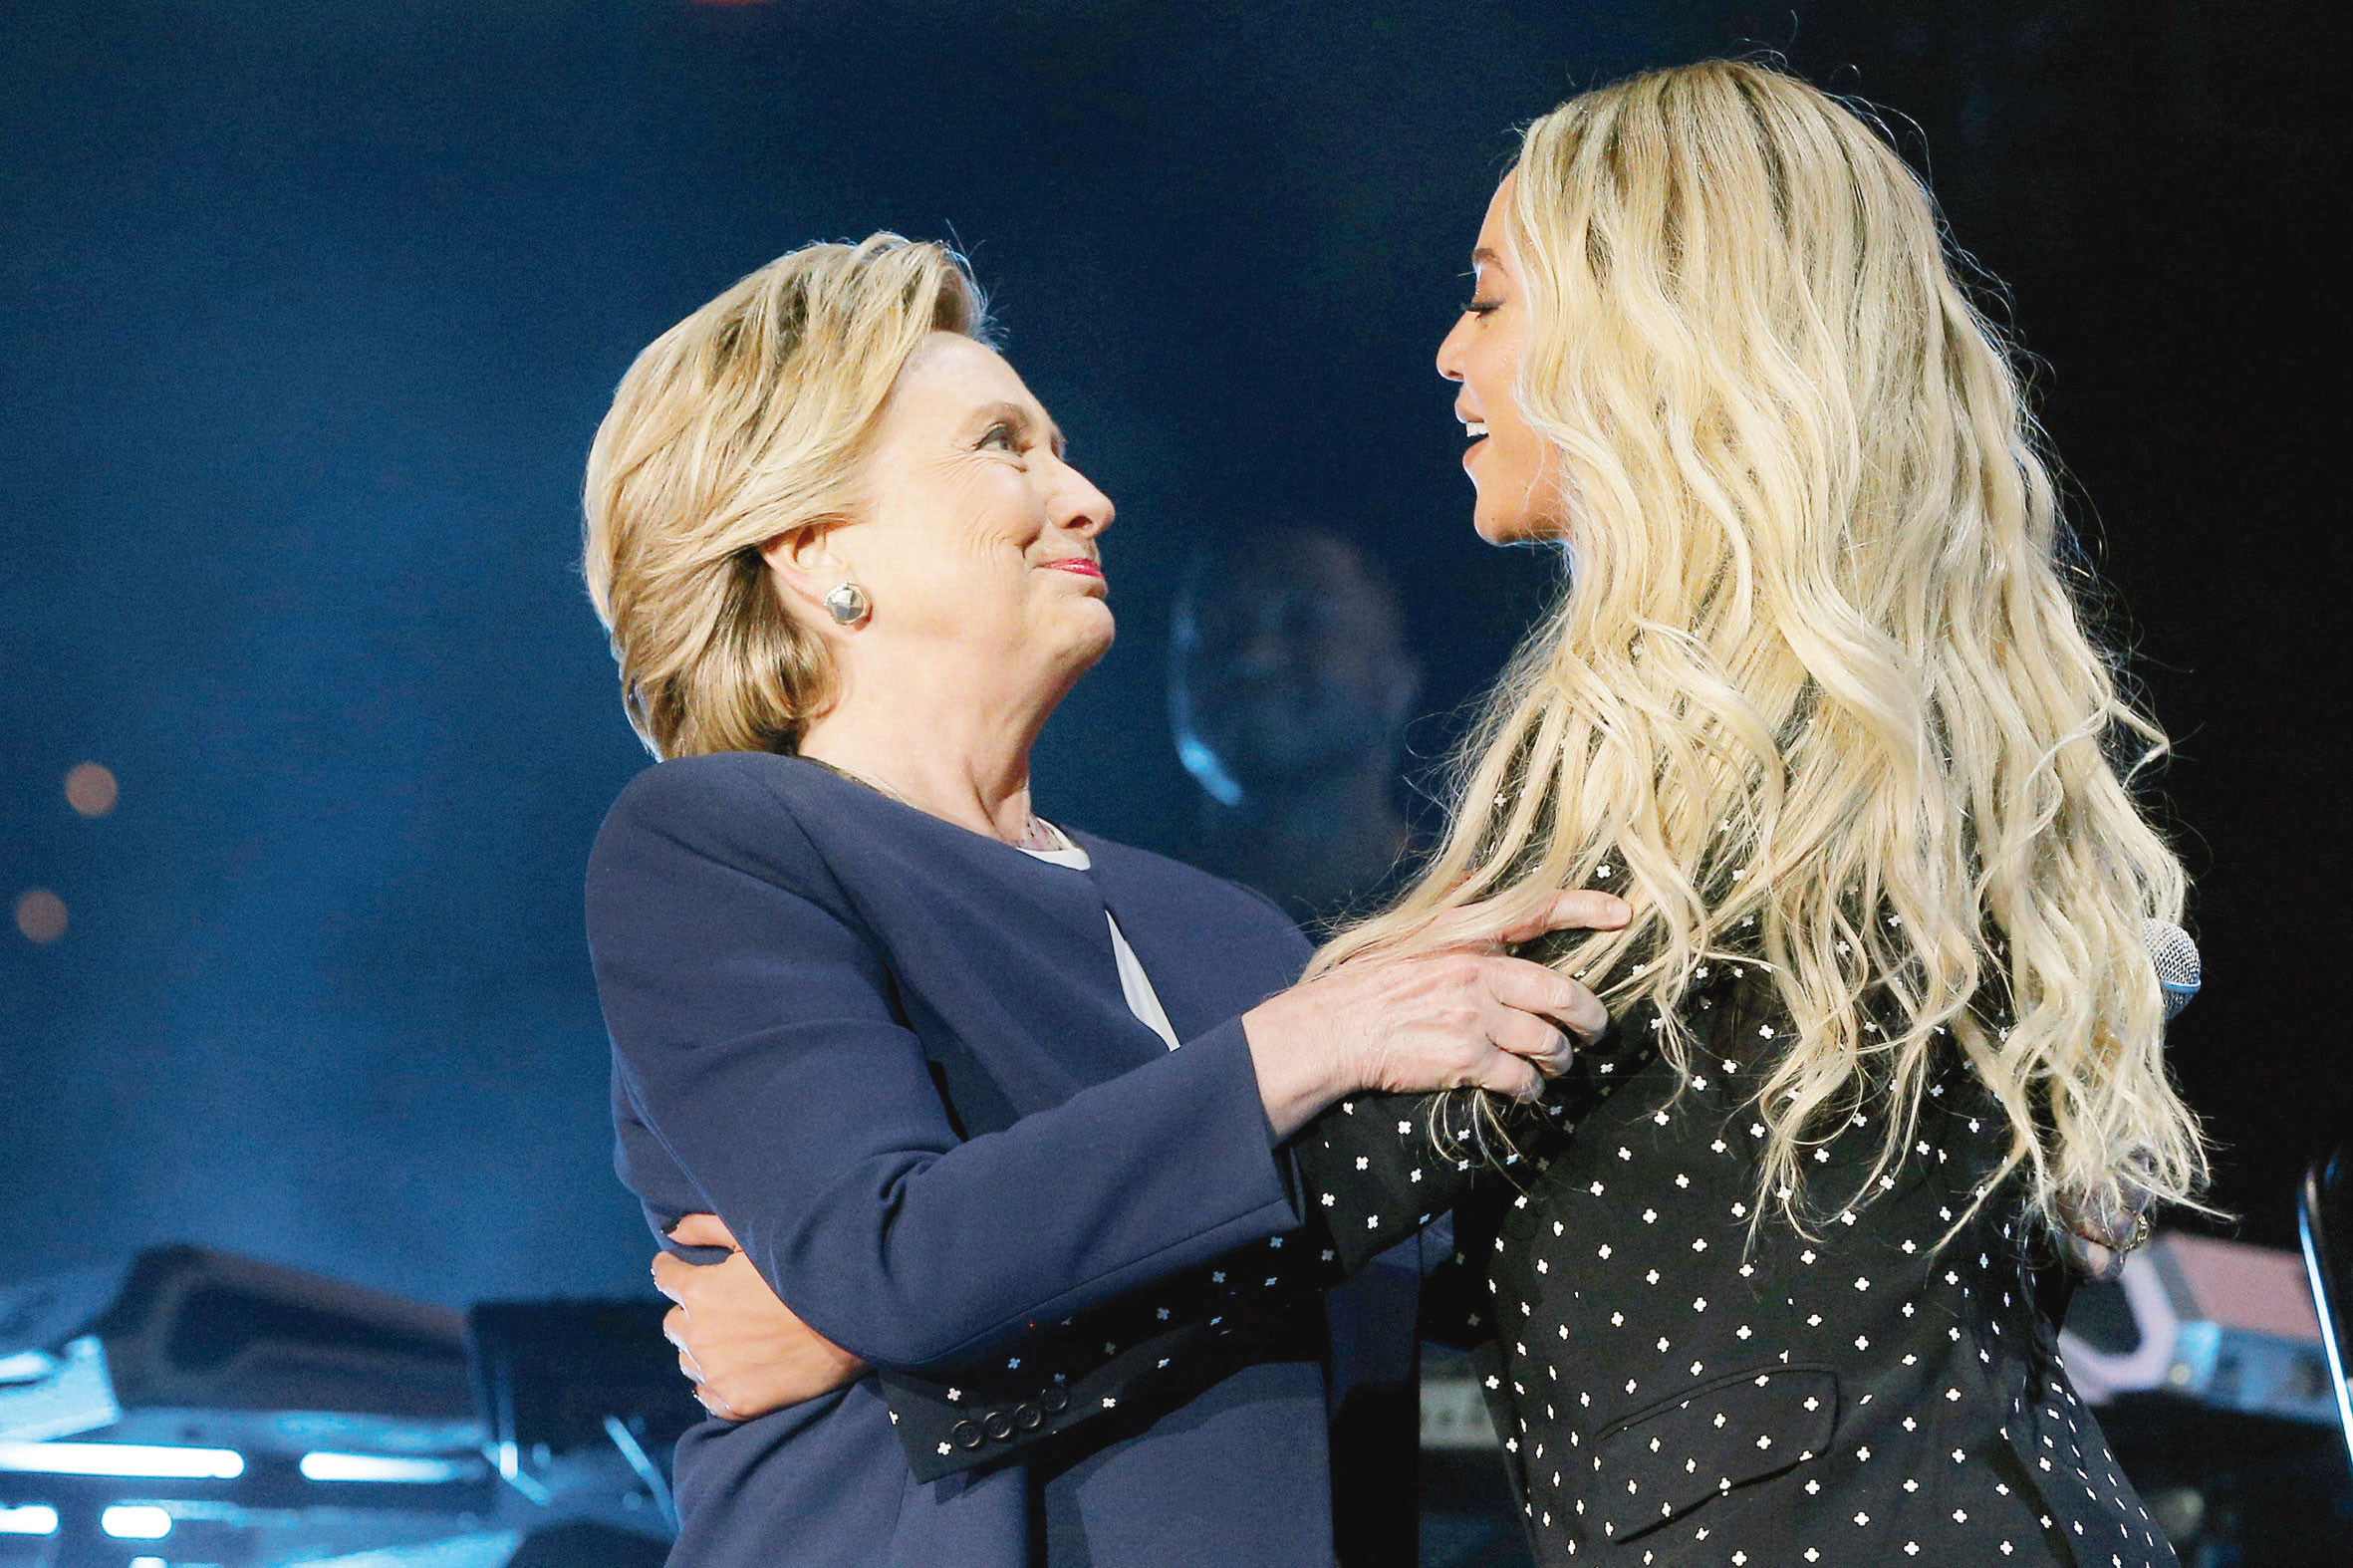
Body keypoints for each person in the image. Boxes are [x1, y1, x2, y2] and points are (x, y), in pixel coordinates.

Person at [658, 61, 2207, 1567]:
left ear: (1645, 330)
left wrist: (890, 1332)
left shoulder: (1716, 761)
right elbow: (1574, 1205)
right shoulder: (1871, 712)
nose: (1451, 354)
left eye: (1489, 300)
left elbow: (1379, 1158)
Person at [579, 233, 1623, 1567]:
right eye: (1002, 447)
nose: (1085, 497)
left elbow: (1351, 1269)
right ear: (807, 538)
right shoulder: (722, 841)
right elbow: (892, 1256)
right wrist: (1315, 1038)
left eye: (1058, 449)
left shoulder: (1226, 929)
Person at [1167, 524, 1423, 925]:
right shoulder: (1117, 918)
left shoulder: (1481, 914)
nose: (1254, 657)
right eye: (1219, 630)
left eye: (1304, 624)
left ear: (1397, 681)